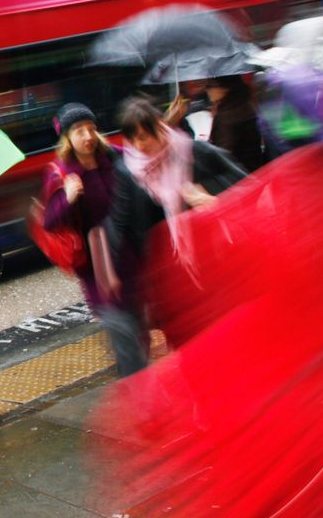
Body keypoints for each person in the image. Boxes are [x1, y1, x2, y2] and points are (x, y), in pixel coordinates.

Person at [105, 96, 248, 360]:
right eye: (132, 138)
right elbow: (120, 227)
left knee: (224, 347)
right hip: (167, 285)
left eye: (145, 135)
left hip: (212, 273)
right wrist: (116, 279)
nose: (139, 145)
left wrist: (214, 202)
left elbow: (248, 187)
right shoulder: (127, 173)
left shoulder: (195, 153)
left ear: (160, 127)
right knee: (187, 352)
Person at [40, 104, 135, 374]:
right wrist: (67, 198)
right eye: (79, 130)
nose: (88, 136)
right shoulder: (61, 173)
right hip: (94, 265)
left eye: (91, 128)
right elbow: (50, 221)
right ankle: (133, 379)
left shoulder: (114, 157)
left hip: (127, 253)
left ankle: (136, 376)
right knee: (119, 325)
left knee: (136, 321)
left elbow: (143, 165)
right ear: (68, 138)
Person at [204, 75, 264, 172]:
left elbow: (223, 152)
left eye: (210, 86)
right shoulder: (244, 105)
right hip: (252, 171)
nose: (206, 90)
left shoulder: (227, 115)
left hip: (234, 176)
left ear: (226, 88)